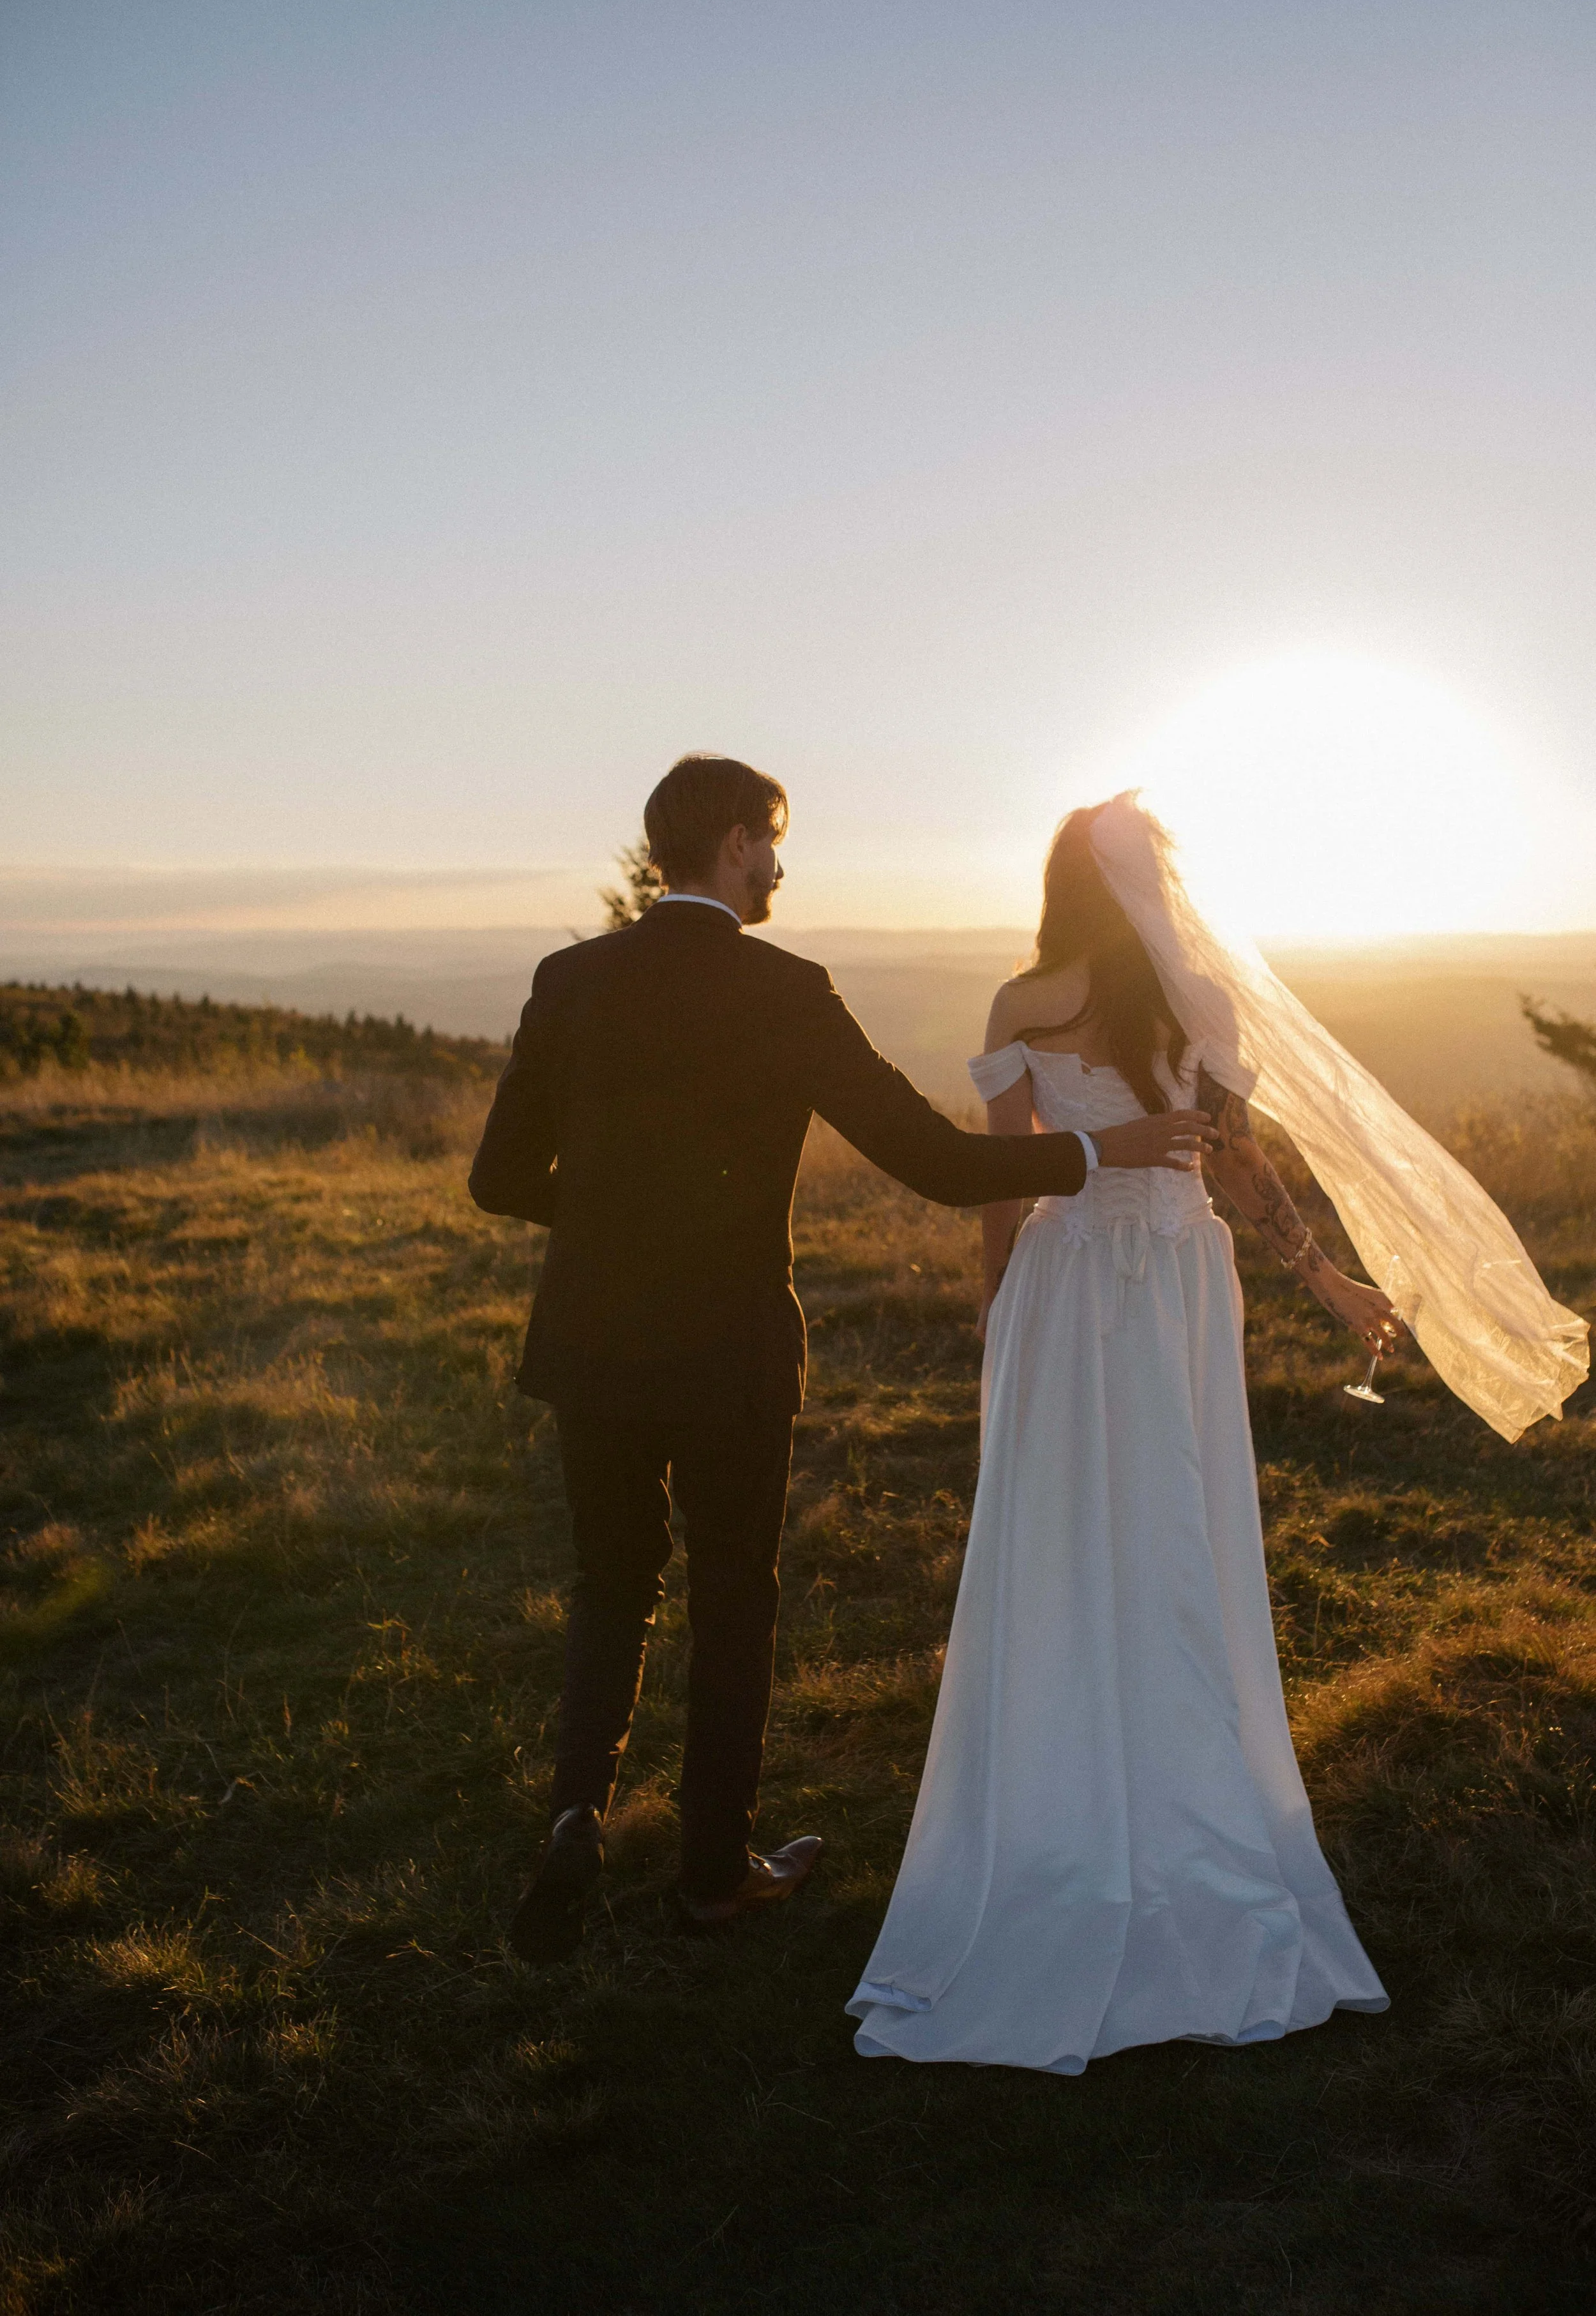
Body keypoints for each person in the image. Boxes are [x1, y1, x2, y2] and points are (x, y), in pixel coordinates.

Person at [848, 793, 1586, 2073]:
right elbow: (1242, 1168)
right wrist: (1320, 1277)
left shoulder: (1021, 1001)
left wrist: (991, 1304)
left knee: (1069, 1527)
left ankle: (1072, 1778)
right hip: (1177, 1276)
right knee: (1169, 1517)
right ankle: (1164, 1777)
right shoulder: (1200, 1008)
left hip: (1067, 1277)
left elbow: (1001, 1176)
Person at [469, 758, 1219, 1958]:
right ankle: (714, 1875)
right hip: (730, 1350)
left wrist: (619, 1219)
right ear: (728, 847)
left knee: (610, 1586)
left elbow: (497, 1179)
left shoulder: (571, 979)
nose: (779, 864)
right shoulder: (787, 990)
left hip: (592, 1343)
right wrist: (1096, 1153)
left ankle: (574, 1816)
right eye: (770, 841)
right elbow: (932, 1159)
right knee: (732, 1595)